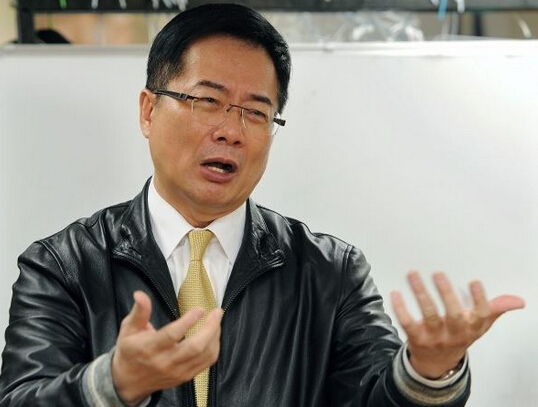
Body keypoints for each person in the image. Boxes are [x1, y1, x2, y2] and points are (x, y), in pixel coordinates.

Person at [0, 4, 524, 407]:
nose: (231, 131)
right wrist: (113, 384)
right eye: (207, 101)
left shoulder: (330, 272)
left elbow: (373, 396)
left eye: (255, 112)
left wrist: (427, 371)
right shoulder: (63, 265)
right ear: (148, 110)